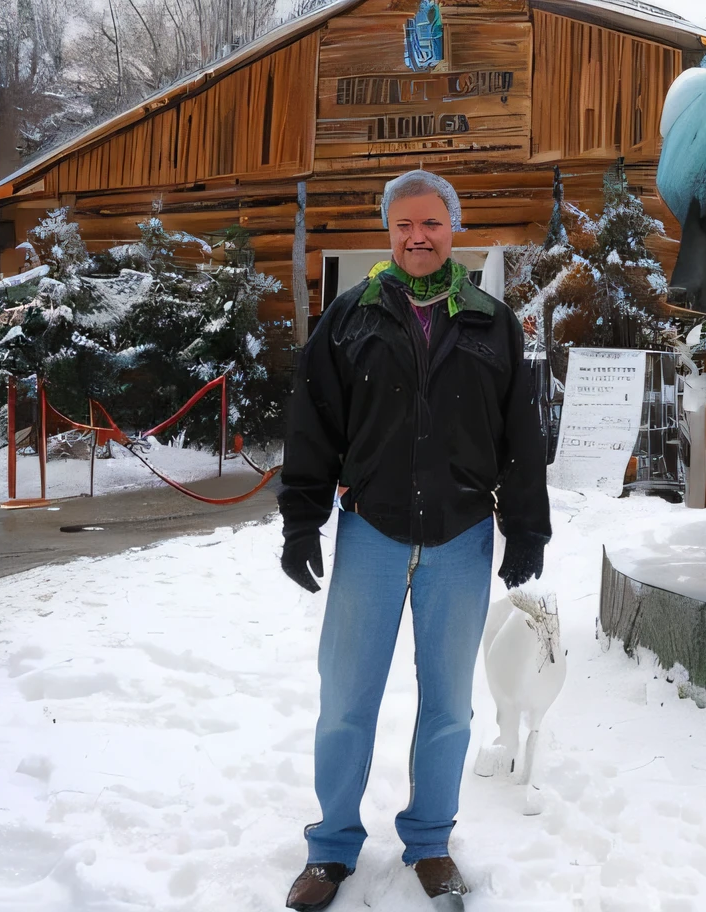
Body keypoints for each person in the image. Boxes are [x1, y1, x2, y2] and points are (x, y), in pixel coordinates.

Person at [278, 169, 551, 911]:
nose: (417, 237)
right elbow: (313, 428)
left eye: (431, 223)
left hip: (462, 536)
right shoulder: (348, 320)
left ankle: (430, 842)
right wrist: (302, 519)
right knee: (346, 699)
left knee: (450, 707)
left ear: (452, 229)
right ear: (389, 231)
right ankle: (331, 849)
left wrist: (526, 528)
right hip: (371, 531)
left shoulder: (493, 323)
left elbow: (520, 438)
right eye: (404, 225)